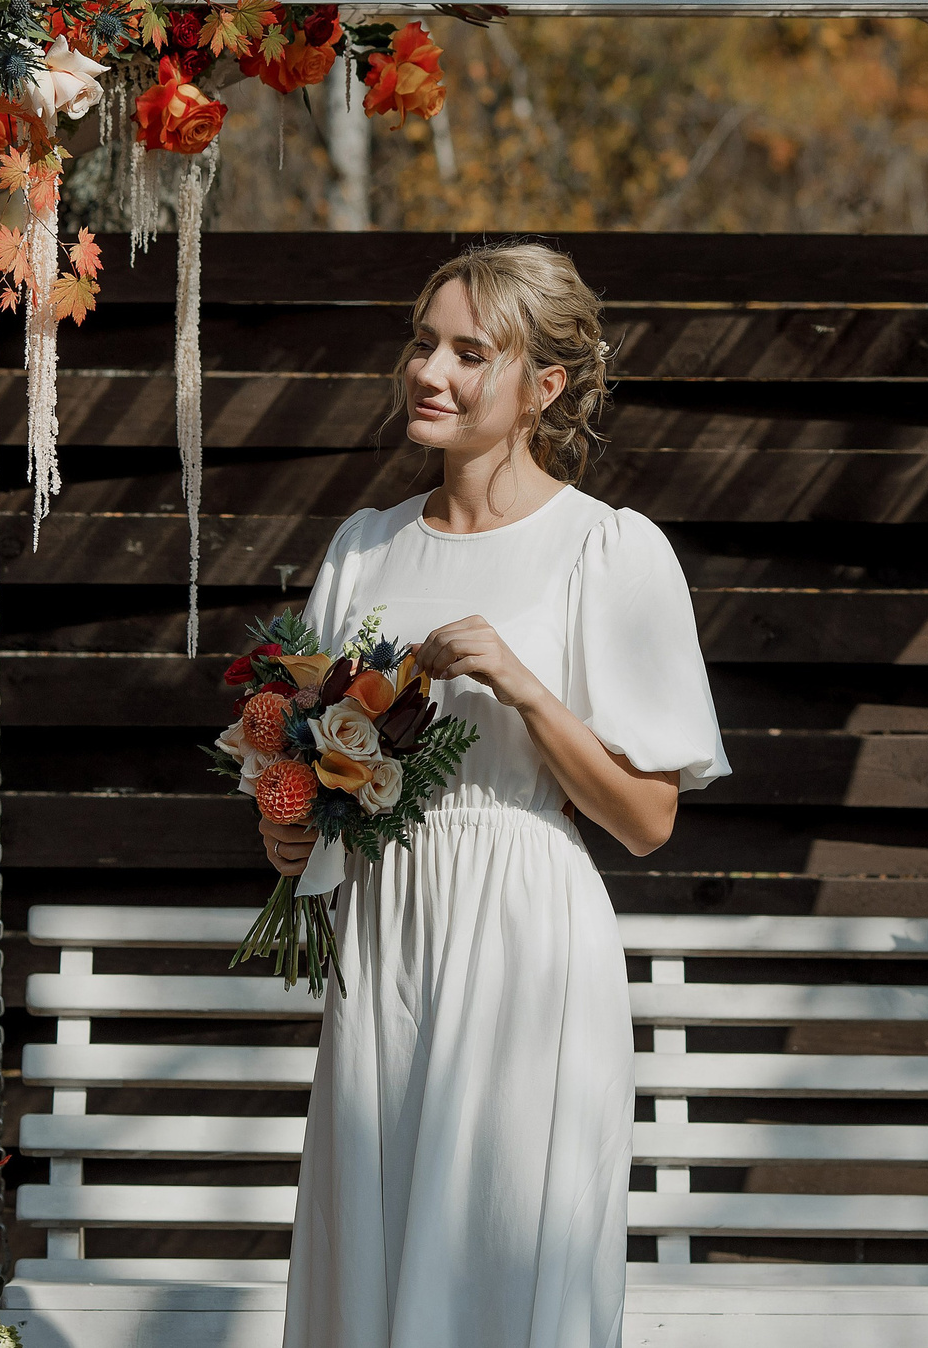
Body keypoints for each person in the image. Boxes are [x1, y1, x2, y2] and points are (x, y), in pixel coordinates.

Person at [266, 242, 729, 1348]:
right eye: (424, 341)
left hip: (526, 938)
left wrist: (524, 685)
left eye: (470, 351)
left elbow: (647, 817)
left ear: (545, 386)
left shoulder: (606, 549)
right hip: (383, 931)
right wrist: (289, 830)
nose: (430, 369)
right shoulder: (362, 549)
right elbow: (312, 776)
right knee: (369, 1245)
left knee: (505, 1243)